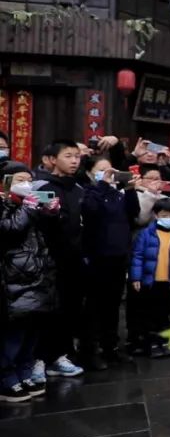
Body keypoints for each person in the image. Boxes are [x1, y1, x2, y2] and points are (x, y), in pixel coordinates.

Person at [0, 163, 60, 402]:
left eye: (28, 180)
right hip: (13, 277)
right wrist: (26, 208)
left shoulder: (31, 205)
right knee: (14, 331)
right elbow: (9, 228)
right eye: (19, 180)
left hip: (39, 273)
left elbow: (51, 234)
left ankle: (24, 372)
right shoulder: (5, 205)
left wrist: (50, 213)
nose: (25, 185)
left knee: (33, 329)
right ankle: (6, 378)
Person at [79, 157, 140, 370]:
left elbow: (134, 214)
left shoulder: (117, 194)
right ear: (89, 173)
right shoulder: (88, 192)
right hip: (97, 258)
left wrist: (131, 189)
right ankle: (90, 351)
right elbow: (91, 211)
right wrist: (103, 184)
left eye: (110, 170)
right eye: (101, 170)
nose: (108, 174)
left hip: (118, 257)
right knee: (95, 306)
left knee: (113, 306)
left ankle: (111, 347)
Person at [36, 139, 86, 377]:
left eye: (77, 156)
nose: (74, 160)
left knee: (70, 309)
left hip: (75, 260)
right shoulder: (43, 187)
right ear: (52, 160)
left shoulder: (78, 189)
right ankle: (39, 359)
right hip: (48, 261)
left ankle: (60, 356)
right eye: (68, 155)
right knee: (47, 311)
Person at [130, 198, 170, 358]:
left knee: (164, 314)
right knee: (149, 314)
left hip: (167, 282)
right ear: (156, 215)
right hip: (150, 282)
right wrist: (136, 277)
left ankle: (163, 342)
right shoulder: (146, 234)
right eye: (164, 215)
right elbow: (138, 256)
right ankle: (151, 344)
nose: (168, 218)